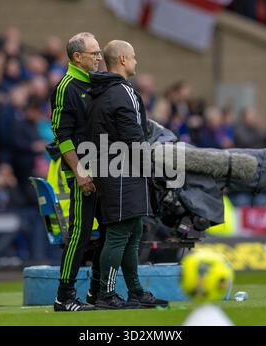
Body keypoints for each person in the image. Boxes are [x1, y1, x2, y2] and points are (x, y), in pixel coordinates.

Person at [87, 40, 168, 309]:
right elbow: (135, 137)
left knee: (133, 231)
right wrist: (152, 169)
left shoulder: (100, 91)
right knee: (120, 234)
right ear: (122, 59)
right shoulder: (124, 91)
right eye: (133, 57)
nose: (136, 62)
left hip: (109, 168)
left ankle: (135, 291)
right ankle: (106, 295)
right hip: (122, 171)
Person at [51, 32, 103, 311]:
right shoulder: (67, 87)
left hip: (104, 171)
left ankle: (98, 293)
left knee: (106, 234)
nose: (99, 57)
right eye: (94, 53)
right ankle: (64, 296)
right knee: (80, 235)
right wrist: (81, 172)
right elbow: (62, 135)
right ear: (77, 57)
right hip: (84, 176)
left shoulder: (95, 82)